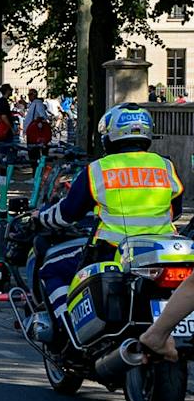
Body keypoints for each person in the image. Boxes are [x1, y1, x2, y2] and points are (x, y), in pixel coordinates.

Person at [31, 104, 183, 344]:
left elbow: (66, 214)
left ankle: (65, 331)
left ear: (110, 136)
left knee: (51, 269)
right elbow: (176, 211)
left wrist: (40, 216)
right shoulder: (165, 166)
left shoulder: (98, 170)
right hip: (162, 254)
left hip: (112, 252)